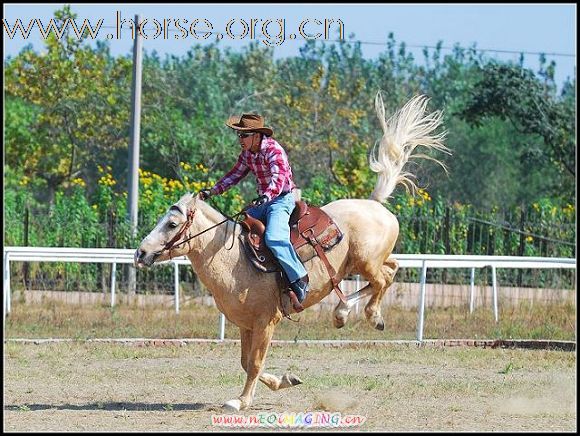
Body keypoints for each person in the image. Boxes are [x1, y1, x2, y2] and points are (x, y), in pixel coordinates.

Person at [199, 113, 310, 303]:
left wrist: (267, 196)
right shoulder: (247, 155)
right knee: (236, 230)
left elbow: (279, 177)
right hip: (264, 201)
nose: (240, 139)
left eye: (244, 135)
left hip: (281, 200)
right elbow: (234, 175)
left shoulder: (274, 151)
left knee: (274, 238)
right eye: (239, 135)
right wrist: (213, 191)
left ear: (257, 135)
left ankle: (299, 279)